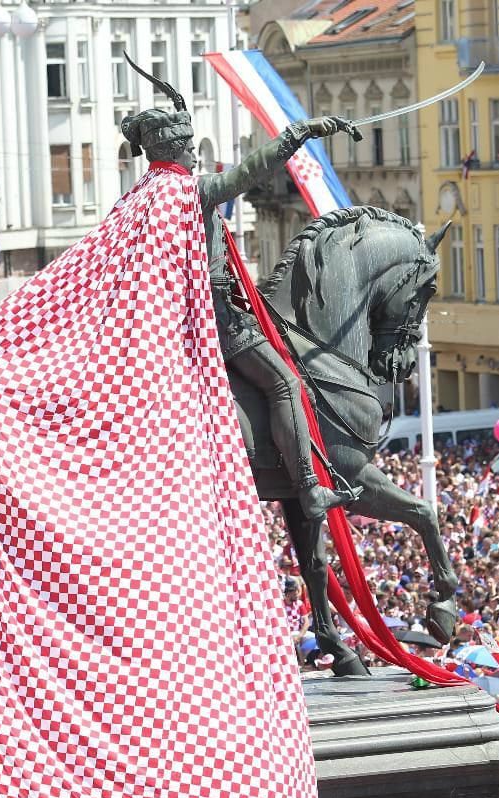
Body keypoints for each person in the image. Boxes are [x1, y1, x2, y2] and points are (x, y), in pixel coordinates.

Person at [118, 58, 362, 520]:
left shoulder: (138, 196)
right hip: (215, 317)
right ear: (176, 149)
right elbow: (250, 172)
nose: (195, 157)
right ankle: (309, 487)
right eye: (190, 149)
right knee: (286, 383)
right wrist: (301, 132)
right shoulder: (188, 191)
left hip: (167, 319)